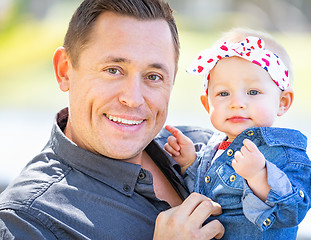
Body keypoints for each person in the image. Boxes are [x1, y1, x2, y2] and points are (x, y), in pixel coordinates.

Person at [0, 0, 225, 239]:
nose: (133, 99)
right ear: (64, 70)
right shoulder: (26, 220)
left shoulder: (209, 149)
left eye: (153, 76)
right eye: (113, 70)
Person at [164, 28, 311, 239]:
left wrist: (259, 176)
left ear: (282, 102)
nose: (237, 103)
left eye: (253, 92)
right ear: (207, 104)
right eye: (223, 93)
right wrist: (190, 163)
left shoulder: (282, 154)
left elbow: (294, 211)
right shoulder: (214, 148)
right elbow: (202, 192)